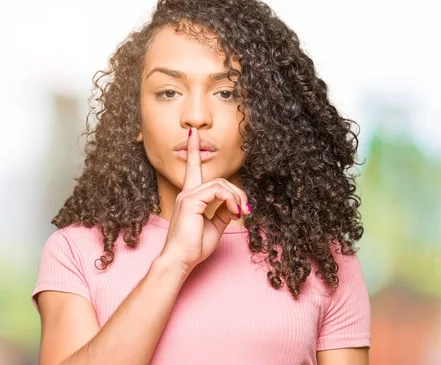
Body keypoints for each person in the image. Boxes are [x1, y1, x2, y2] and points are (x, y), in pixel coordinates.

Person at [31, 0, 371, 364]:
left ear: (262, 117)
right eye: (168, 92)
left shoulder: (323, 259)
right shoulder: (75, 252)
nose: (195, 117)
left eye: (226, 93)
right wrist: (174, 261)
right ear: (135, 120)